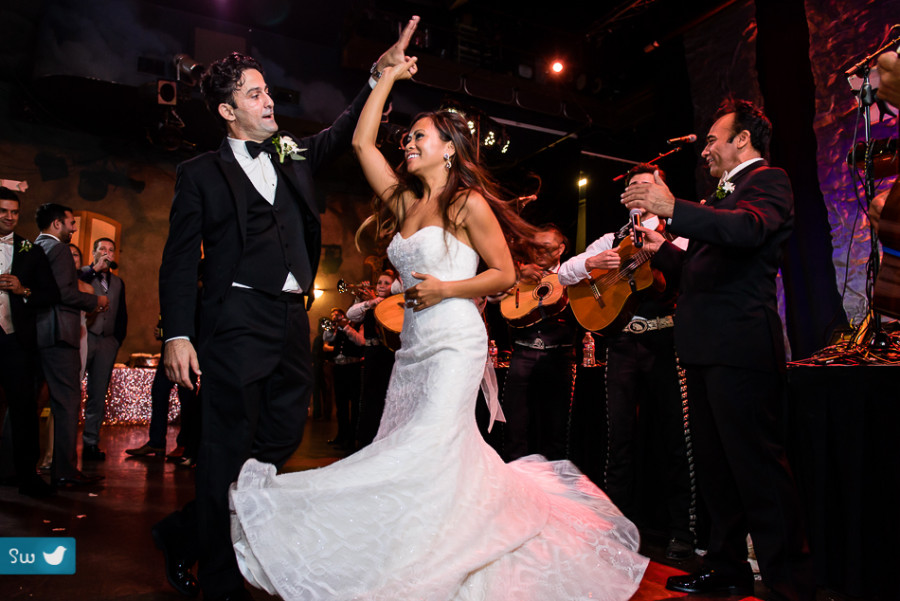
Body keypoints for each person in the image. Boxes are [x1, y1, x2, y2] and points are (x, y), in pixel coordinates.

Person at [228, 46, 648, 601]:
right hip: (414, 348)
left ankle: (437, 556)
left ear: (449, 149)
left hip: (455, 342)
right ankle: (417, 542)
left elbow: (501, 275)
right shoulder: (404, 203)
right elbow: (359, 141)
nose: (407, 142)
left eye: (420, 136)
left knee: (426, 443)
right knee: (406, 446)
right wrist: (388, 77)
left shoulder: (468, 203)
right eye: (406, 137)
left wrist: (447, 288)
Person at [153, 18, 421, 601]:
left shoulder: (286, 150)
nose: (268, 99)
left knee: (277, 440)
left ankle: (183, 533)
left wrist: (380, 74)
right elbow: (177, 262)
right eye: (254, 93)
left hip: (288, 319)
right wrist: (178, 334)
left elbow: (339, 131)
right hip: (234, 323)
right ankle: (221, 585)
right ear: (228, 112)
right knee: (225, 452)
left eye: (267, 90)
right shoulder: (198, 174)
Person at [622, 98, 813, 601]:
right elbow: (698, 272)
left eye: (712, 139)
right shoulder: (719, 200)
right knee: (716, 468)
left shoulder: (769, 182)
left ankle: (788, 580)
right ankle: (726, 566)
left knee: (757, 467)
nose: (704, 149)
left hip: (741, 347)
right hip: (704, 349)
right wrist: (656, 244)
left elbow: (748, 231)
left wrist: (673, 208)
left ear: (742, 140)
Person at [558, 164, 695, 561]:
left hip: (665, 341)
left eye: (644, 184)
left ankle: (682, 534)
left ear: (661, 190)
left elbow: (689, 269)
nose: (636, 189)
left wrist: (659, 248)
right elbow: (564, 273)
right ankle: (617, 528)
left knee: (673, 438)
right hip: (621, 345)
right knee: (619, 440)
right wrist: (593, 265)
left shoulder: (677, 229)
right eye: (631, 184)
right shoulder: (611, 237)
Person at [34, 203, 107, 487]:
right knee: (67, 402)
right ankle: (64, 470)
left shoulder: (36, 246)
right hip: (59, 333)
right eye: (71, 223)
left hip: (38, 334)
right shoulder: (61, 249)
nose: (75, 228)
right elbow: (64, 291)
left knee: (27, 402)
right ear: (57, 224)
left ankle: (10, 466)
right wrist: (96, 301)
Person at [499, 224, 579, 462]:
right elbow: (494, 297)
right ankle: (516, 479)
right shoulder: (521, 273)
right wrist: (516, 277)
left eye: (546, 247)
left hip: (559, 356)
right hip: (522, 353)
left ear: (560, 248)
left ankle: (554, 483)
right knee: (515, 423)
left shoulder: (572, 272)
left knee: (556, 425)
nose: (539, 253)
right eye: (534, 247)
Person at [0, 187, 59, 498]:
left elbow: (51, 294)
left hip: (15, 341)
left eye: (14, 212)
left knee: (24, 410)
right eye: (3, 211)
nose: (9, 217)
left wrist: (23, 290)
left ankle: (27, 475)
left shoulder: (29, 249)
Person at [79, 237, 127, 461]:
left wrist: (117, 339)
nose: (107, 253)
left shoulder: (118, 282)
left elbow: (122, 314)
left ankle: (90, 443)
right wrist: (92, 269)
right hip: (84, 337)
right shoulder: (82, 273)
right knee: (72, 391)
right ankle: (64, 444)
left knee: (97, 395)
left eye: (110, 250)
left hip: (107, 341)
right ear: (94, 252)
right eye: (102, 249)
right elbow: (75, 284)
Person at [346, 270, 397, 448]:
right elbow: (351, 315)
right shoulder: (370, 304)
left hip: (387, 356)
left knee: (383, 396)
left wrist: (377, 301)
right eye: (379, 283)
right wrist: (370, 301)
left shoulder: (394, 303)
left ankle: (382, 439)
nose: (382, 285)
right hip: (371, 355)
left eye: (386, 283)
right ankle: (366, 439)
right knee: (368, 396)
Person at [321, 306, 363, 450]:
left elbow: (360, 341)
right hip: (338, 368)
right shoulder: (335, 328)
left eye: (337, 315)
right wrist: (331, 327)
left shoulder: (357, 325)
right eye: (333, 315)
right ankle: (341, 435)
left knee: (354, 404)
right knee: (341, 404)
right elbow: (327, 338)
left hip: (352, 367)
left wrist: (346, 326)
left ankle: (352, 437)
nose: (335, 317)